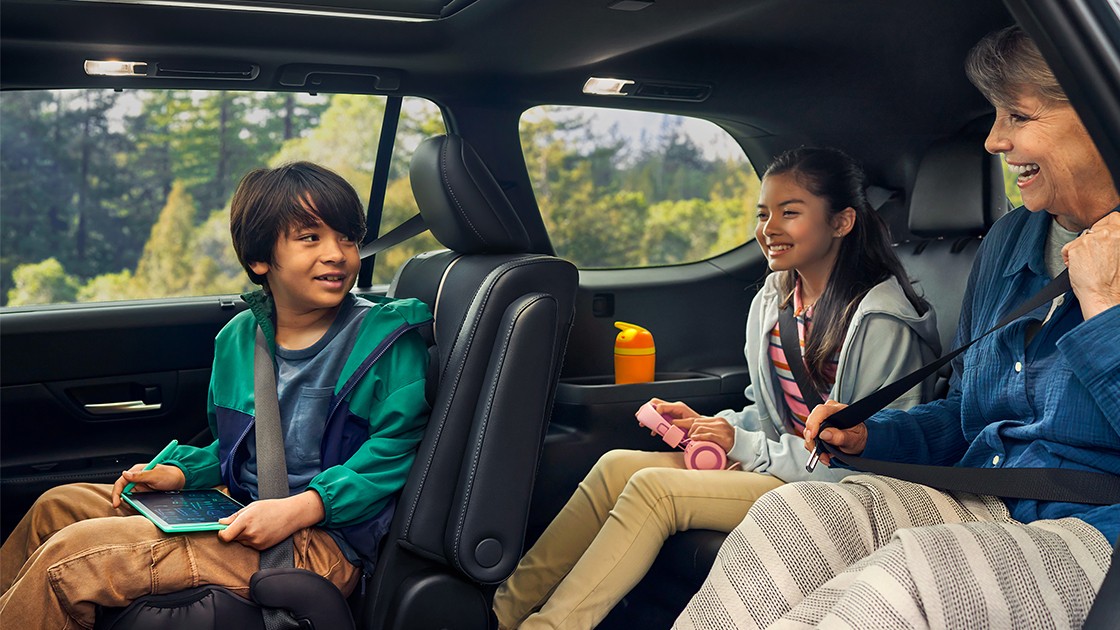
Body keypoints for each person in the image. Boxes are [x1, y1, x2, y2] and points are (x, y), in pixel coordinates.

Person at [675, 25, 1120, 630]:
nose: (994, 140)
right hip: (981, 496)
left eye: (1018, 114)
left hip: (1095, 528)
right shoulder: (1011, 240)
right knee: (792, 520)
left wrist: (1104, 310)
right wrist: (872, 435)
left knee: (903, 583)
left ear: (1103, 114)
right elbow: (966, 413)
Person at [492, 147, 942, 629]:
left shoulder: (881, 321)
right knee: (614, 466)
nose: (769, 228)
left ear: (842, 222)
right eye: (763, 213)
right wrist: (714, 426)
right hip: (787, 465)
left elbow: (868, 451)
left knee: (654, 490)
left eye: (790, 213)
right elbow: (769, 414)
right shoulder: (775, 301)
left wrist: (745, 447)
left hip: (842, 486)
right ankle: (499, 613)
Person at [0, 162, 433, 628]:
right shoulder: (241, 338)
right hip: (239, 502)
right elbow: (238, 447)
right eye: (311, 238)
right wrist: (180, 473)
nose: (337, 254)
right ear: (260, 259)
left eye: (347, 237)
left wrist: (300, 508)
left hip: (322, 539)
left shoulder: (386, 340)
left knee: (73, 558)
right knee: (55, 507)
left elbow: (396, 452)